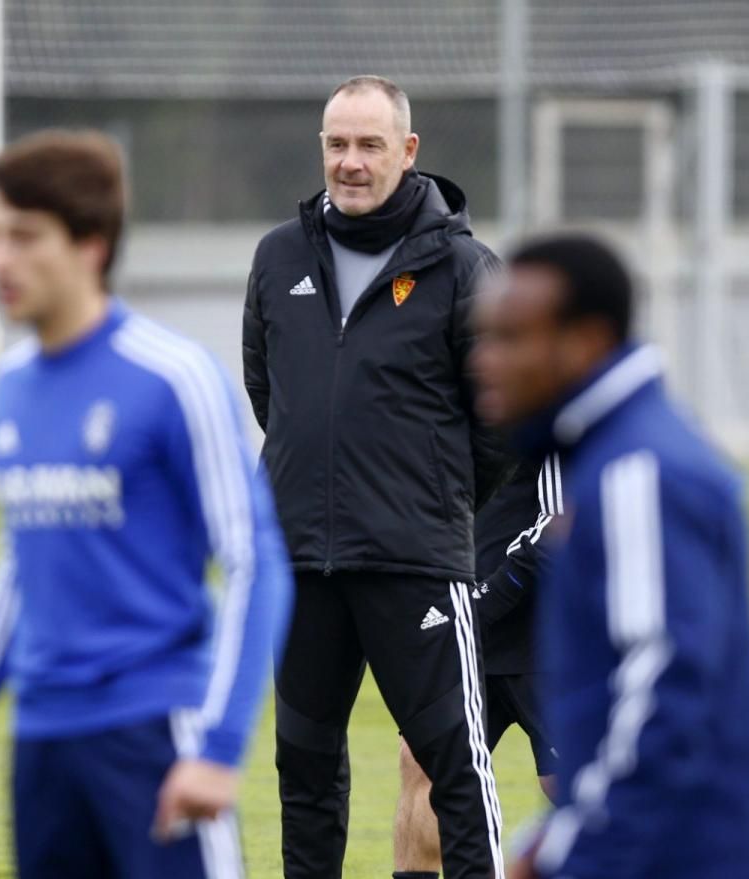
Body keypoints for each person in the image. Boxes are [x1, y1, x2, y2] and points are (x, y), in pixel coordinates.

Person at [0, 130, 293, 879]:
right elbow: (22, 561)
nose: (0, 260)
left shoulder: (173, 378)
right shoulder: (13, 382)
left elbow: (255, 563)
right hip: (43, 741)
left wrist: (220, 748)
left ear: (92, 243)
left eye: (26, 238)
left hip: (156, 735)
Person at [243, 74, 513, 879]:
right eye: (336, 144)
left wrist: (427, 500)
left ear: (408, 151)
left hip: (414, 561)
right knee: (305, 772)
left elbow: (498, 426)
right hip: (299, 561)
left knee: (457, 769)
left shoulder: (466, 269)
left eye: (369, 145)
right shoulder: (278, 256)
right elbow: (273, 397)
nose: (350, 162)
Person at [472, 233, 749, 879]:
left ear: (584, 342)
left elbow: (662, 693)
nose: (484, 360)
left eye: (510, 337)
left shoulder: (636, 471)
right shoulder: (624, 449)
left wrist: (566, 849)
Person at [393, 454, 561, 879]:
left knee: (570, 786)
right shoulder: (443, 405)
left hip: (545, 642)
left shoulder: (544, 411)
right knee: (422, 765)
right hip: (462, 636)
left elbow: (557, 524)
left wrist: (485, 601)